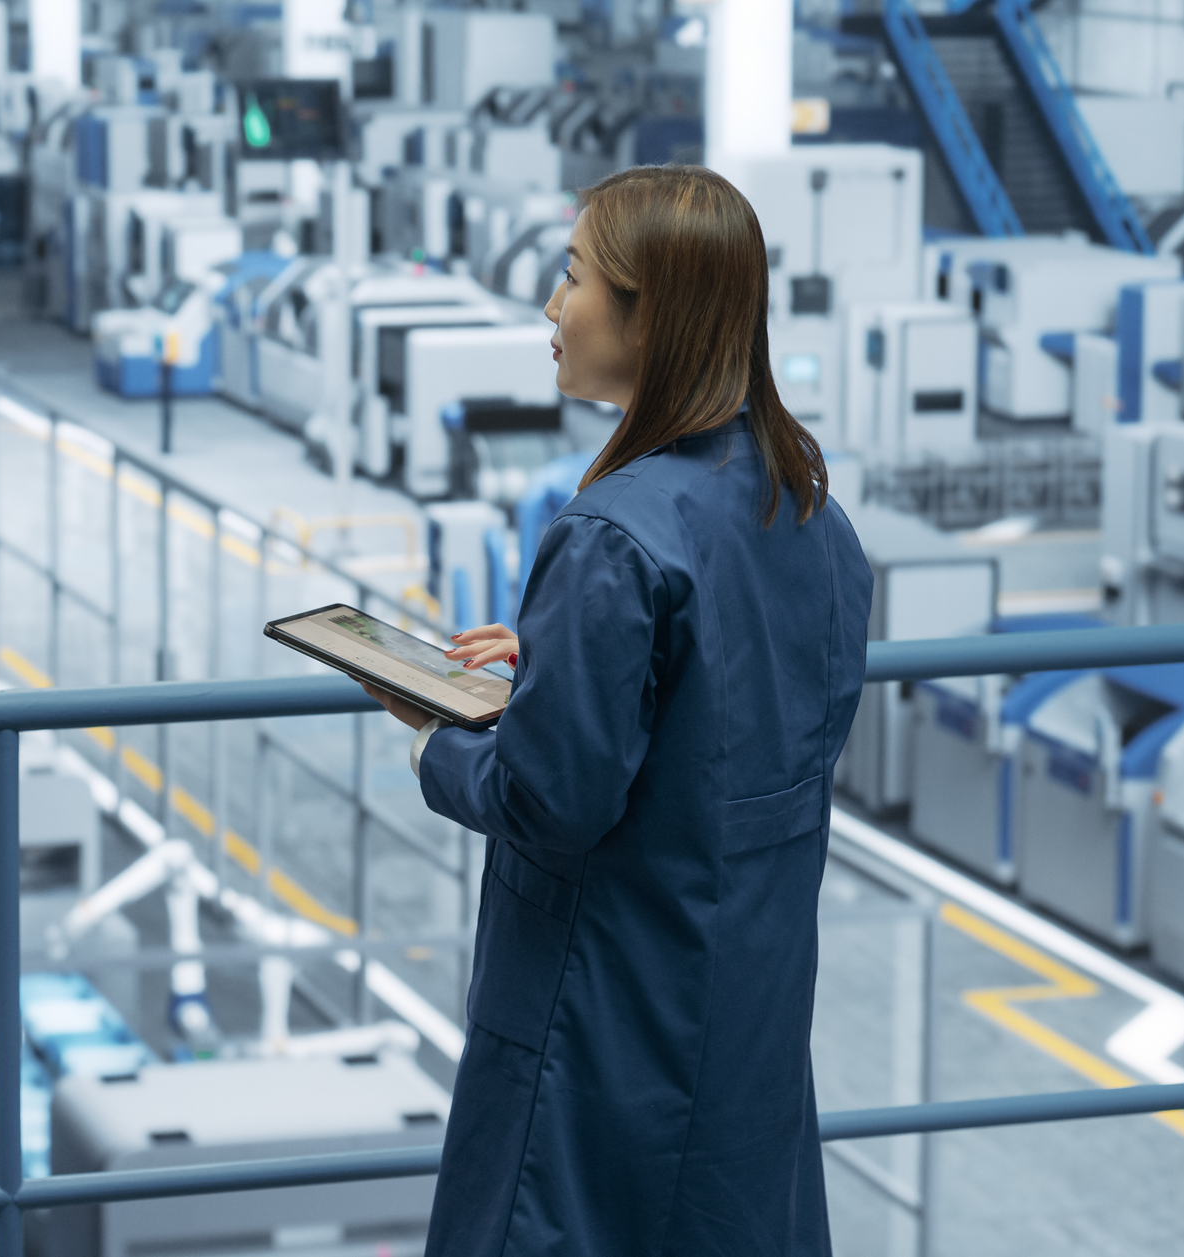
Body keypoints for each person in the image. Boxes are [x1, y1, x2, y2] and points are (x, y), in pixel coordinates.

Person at [359, 164, 873, 1254]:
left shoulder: (610, 533)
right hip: (745, 1013)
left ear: (652, 318)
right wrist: (564, 666)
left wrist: (432, 740)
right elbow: (730, 712)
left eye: (574, 276)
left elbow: (549, 800)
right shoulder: (809, 511)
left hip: (601, 1020)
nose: (553, 305)